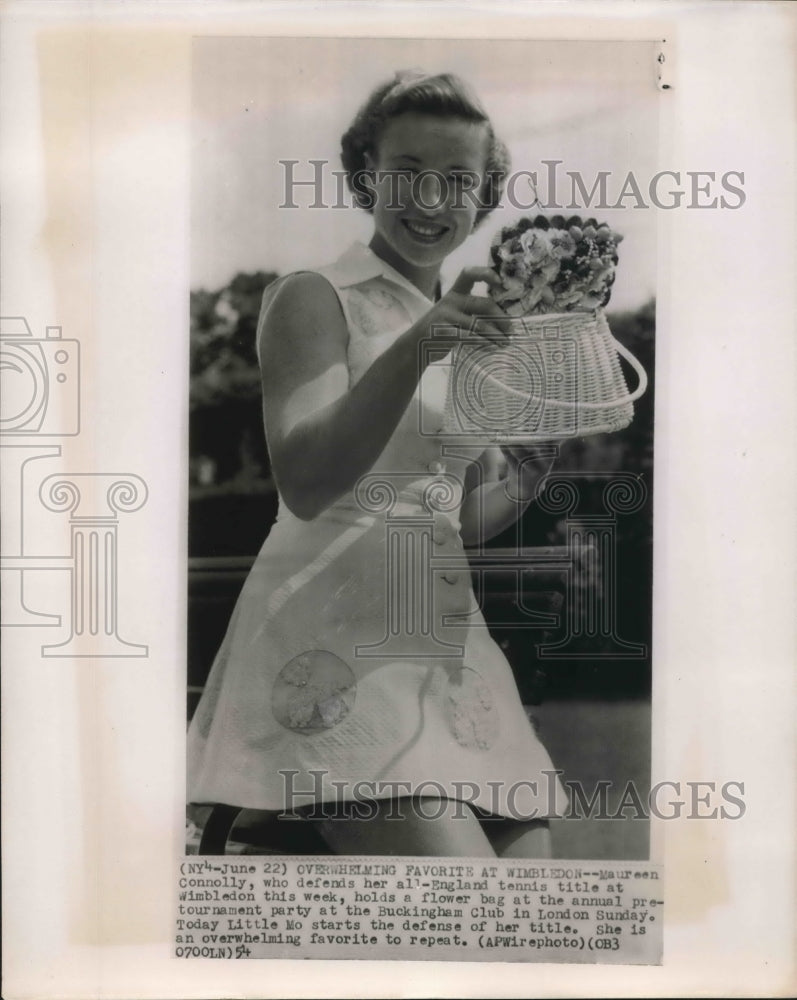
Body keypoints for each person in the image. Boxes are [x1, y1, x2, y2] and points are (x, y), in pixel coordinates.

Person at [188, 70, 568, 857]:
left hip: (444, 647)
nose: (431, 199)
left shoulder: (468, 324)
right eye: (407, 172)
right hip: (333, 642)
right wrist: (423, 342)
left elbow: (457, 519)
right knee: (467, 912)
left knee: (537, 893)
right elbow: (305, 479)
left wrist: (530, 470)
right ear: (365, 177)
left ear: (482, 198)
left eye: (457, 179)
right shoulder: (314, 295)